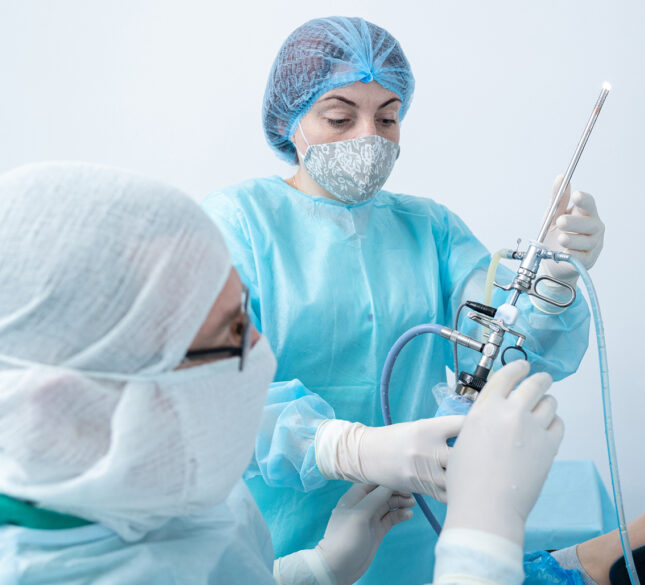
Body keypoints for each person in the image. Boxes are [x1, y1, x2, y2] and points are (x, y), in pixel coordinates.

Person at [0, 161, 566, 585]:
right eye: (226, 335)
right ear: (65, 408)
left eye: (246, 315)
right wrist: (482, 539)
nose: (261, 354)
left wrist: (316, 571)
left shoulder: (166, 491)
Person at [200, 15, 606, 582]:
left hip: (414, 531)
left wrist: (554, 282)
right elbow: (211, 390)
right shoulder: (236, 226)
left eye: (387, 117)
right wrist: (347, 448)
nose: (368, 136)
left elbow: (508, 355)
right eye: (340, 117)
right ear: (291, 120)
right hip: (275, 543)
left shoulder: (431, 230)